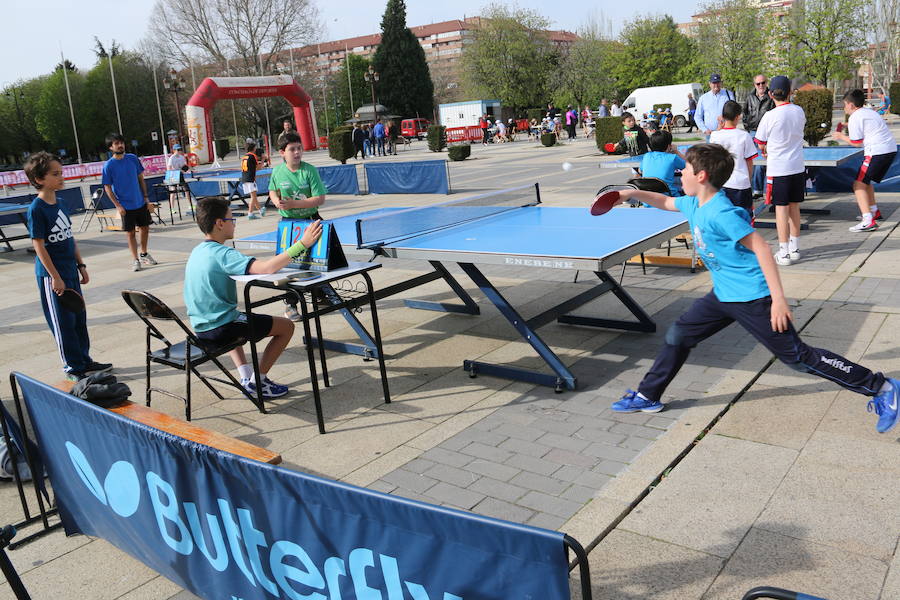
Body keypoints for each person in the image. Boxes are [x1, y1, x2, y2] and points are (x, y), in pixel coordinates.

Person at [604, 143, 899, 434]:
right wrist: (631, 193)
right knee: (678, 335)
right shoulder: (694, 202)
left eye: (687, 169)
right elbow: (666, 202)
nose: (681, 172)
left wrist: (779, 301)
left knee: (798, 358)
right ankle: (648, 395)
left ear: (702, 175)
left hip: (752, 297)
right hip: (722, 294)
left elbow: (761, 248)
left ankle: (882, 387)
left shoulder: (721, 213)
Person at [184, 198, 322, 399]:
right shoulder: (222, 253)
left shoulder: (197, 251)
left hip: (200, 326)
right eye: (232, 219)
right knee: (286, 327)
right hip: (221, 328)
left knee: (237, 316)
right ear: (220, 223)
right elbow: (266, 269)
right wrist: (302, 244)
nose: (234, 223)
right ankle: (259, 382)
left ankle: (246, 376)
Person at [25, 151, 113, 381]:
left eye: (61, 173)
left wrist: (81, 265)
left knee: (78, 319)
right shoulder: (37, 209)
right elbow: (39, 247)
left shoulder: (62, 203)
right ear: (39, 179)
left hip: (70, 272)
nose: (61, 177)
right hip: (52, 277)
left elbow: (70, 238)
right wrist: (55, 276)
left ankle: (84, 360)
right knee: (63, 322)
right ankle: (72, 367)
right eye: (55, 174)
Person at [268, 131, 327, 321]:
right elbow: (271, 190)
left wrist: (294, 204)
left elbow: (319, 199)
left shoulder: (309, 170)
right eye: (292, 149)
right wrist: (276, 200)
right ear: (282, 153)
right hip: (288, 224)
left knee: (318, 260)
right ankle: (291, 304)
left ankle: (319, 295)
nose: (297, 152)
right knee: (289, 265)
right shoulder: (277, 171)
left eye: (299, 148)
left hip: (311, 220)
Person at [754, 75, 805, 266]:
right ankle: (794, 248)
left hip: (779, 169)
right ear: (790, 92)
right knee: (794, 206)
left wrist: (766, 148)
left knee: (781, 210)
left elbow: (759, 141)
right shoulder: (799, 111)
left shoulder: (770, 116)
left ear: (770, 94)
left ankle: (783, 252)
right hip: (797, 166)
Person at [832, 88, 898, 231]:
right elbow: (867, 128)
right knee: (865, 182)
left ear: (850, 105)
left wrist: (840, 136)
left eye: (844, 104)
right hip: (889, 150)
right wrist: (846, 125)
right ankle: (874, 212)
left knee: (858, 185)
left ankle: (867, 220)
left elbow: (856, 143)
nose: (844, 108)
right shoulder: (868, 112)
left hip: (877, 152)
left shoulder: (855, 116)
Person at [102, 133, 157, 272]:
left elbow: (141, 178)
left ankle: (144, 253)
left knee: (145, 228)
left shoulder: (133, 159)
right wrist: (118, 206)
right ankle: (135, 260)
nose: (120, 145)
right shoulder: (108, 166)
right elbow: (107, 188)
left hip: (140, 202)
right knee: (130, 233)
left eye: (121, 142)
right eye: (116, 143)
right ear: (110, 147)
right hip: (125, 206)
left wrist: (145, 197)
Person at [709, 100, 758, 219]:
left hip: (721, 183)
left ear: (723, 116)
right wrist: (749, 179)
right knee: (743, 219)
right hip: (740, 183)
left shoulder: (715, 136)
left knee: (724, 218)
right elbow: (749, 162)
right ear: (738, 117)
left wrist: (719, 127)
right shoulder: (744, 136)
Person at [743, 75, 776, 194]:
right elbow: (745, 113)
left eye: (763, 83)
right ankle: (756, 190)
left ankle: (766, 190)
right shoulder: (749, 97)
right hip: (752, 132)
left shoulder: (771, 97)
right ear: (754, 85)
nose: (761, 85)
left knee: (764, 162)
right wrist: (747, 126)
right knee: (755, 161)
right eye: (758, 84)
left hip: (767, 135)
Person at [639, 130, 686, 194]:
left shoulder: (647, 156)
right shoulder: (672, 158)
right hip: (669, 198)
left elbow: (640, 170)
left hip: (648, 199)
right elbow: (689, 166)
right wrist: (676, 151)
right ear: (669, 146)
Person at [694, 73, 735, 138]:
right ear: (709, 84)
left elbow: (734, 111)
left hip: (726, 132)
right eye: (714, 83)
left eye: (718, 82)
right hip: (710, 134)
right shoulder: (703, 98)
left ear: (721, 83)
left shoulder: (729, 94)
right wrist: (704, 130)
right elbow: (697, 116)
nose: (716, 85)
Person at [241, 141, 265, 219]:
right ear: (253, 148)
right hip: (250, 178)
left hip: (244, 177)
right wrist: (263, 160)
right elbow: (258, 168)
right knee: (253, 197)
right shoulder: (253, 156)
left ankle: (260, 210)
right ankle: (250, 213)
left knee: (253, 196)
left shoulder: (244, 156)